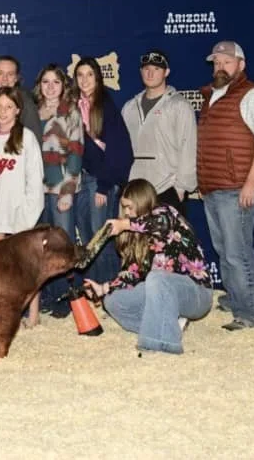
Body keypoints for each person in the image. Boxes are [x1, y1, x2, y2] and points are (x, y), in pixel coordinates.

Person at [81, 179, 213, 356]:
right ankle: (171, 325)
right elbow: (131, 274)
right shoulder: (134, 235)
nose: (126, 213)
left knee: (157, 278)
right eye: (124, 207)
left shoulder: (165, 213)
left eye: (130, 207)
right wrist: (103, 288)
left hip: (196, 292)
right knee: (113, 301)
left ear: (142, 202)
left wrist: (123, 225)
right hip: (161, 292)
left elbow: (160, 222)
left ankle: (163, 343)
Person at [195, 40, 254, 331]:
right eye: (216, 62)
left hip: (236, 187)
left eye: (227, 61)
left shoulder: (252, 95)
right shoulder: (212, 96)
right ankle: (237, 296)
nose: (220, 66)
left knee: (236, 251)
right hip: (215, 187)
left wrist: (251, 182)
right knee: (224, 248)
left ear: (241, 65)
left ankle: (250, 312)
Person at [0, 87, 45, 327]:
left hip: (18, 210)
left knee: (24, 268)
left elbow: (35, 180)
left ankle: (33, 316)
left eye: (8, 107)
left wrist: (29, 214)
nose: (3, 112)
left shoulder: (27, 138)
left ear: (18, 110)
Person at [73, 56, 133, 286]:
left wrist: (105, 186)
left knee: (103, 237)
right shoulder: (75, 106)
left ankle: (109, 289)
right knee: (88, 236)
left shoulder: (106, 105)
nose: (85, 79)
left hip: (101, 181)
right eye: (80, 75)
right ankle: (93, 285)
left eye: (89, 74)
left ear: (97, 78)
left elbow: (119, 150)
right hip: (82, 179)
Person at [33, 64, 84, 316]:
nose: (50, 87)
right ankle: (47, 296)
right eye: (45, 82)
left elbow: (76, 153)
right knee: (40, 247)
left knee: (62, 246)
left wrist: (67, 191)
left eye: (56, 82)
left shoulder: (70, 112)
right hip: (34, 189)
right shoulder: (33, 112)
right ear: (39, 86)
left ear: (64, 85)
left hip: (60, 188)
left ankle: (67, 297)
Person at [121, 49, 197, 216]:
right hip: (135, 190)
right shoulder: (129, 107)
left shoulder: (179, 106)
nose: (150, 73)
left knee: (167, 241)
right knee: (136, 241)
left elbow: (188, 148)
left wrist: (181, 188)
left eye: (156, 69)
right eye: (146, 68)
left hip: (166, 188)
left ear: (166, 72)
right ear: (141, 71)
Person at [0, 55, 42, 142]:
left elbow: (35, 142)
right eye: (0, 73)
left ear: (16, 78)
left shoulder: (25, 103)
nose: (4, 79)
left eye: (10, 74)